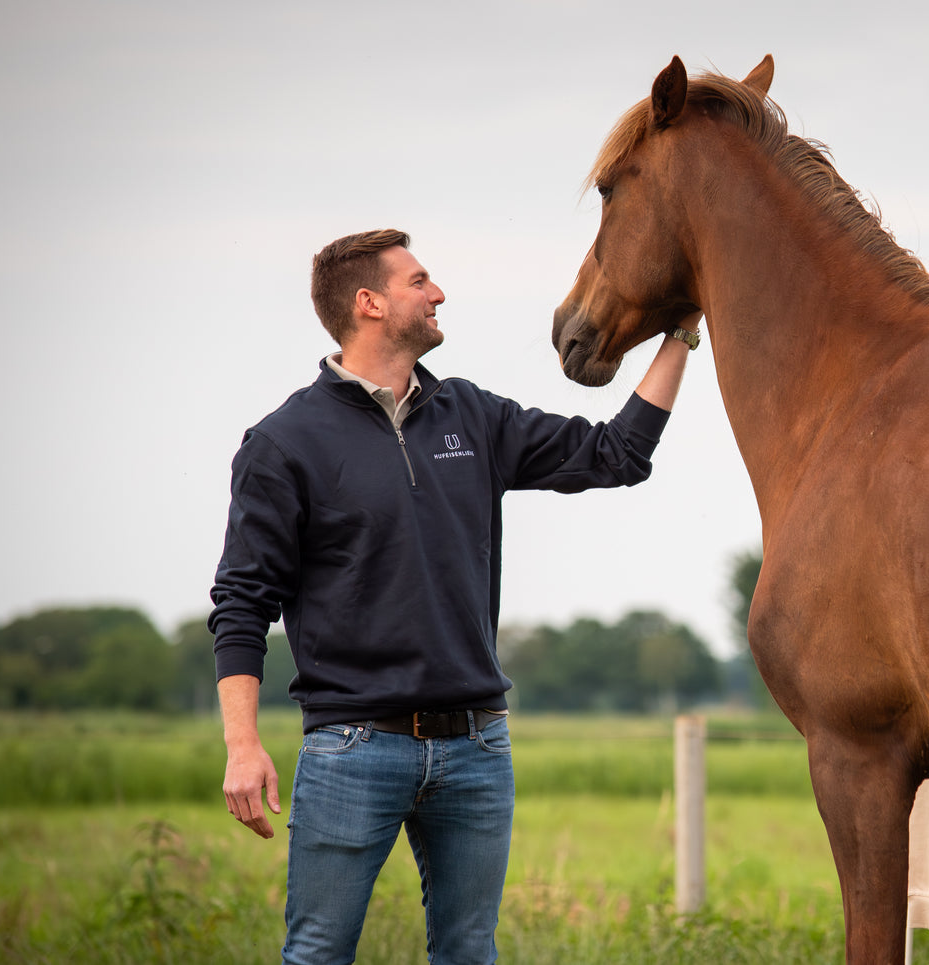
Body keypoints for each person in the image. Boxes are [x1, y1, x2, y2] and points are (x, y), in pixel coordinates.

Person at [208, 228, 696, 964]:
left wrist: (681, 336)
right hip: (352, 746)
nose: (438, 293)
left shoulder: (471, 415)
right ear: (369, 304)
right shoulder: (285, 442)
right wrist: (242, 744)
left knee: (470, 951)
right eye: (419, 281)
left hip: (475, 746)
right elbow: (243, 602)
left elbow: (616, 454)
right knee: (317, 951)